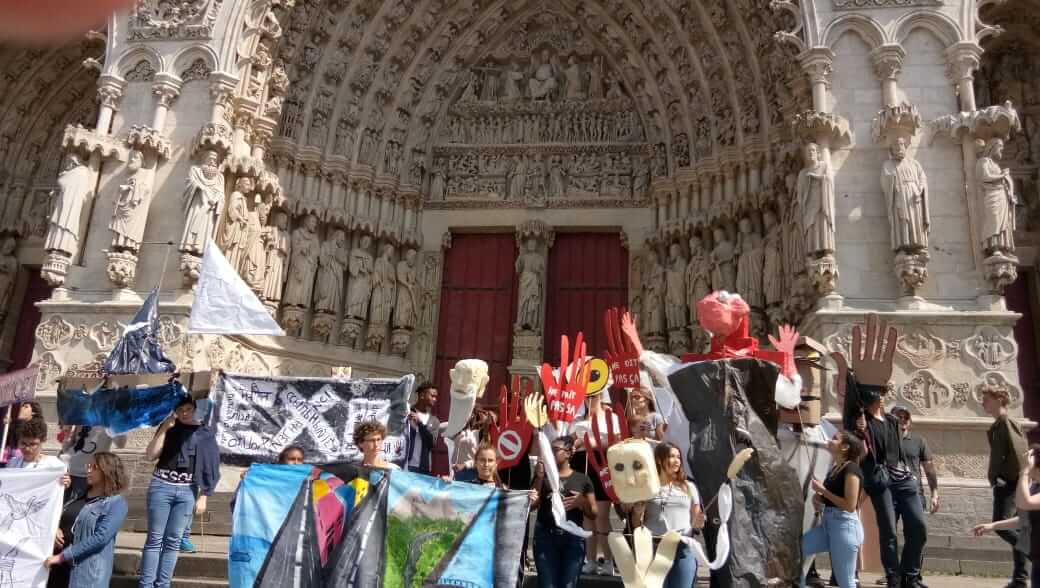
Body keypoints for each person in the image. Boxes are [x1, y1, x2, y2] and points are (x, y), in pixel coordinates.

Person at [140, 397, 220, 588]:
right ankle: (146, 584)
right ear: (175, 411)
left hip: (187, 490)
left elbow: (211, 466)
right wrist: (164, 428)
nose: (184, 413)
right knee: (155, 538)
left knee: (173, 540)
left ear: (194, 409)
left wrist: (205, 495)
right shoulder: (169, 428)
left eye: (188, 409)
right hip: (161, 486)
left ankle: (163, 584)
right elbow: (150, 455)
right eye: (180, 409)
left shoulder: (205, 433)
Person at [858, 389, 927, 588]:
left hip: (904, 479)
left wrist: (910, 473)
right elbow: (863, 453)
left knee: (919, 527)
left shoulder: (891, 420)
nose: (881, 396)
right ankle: (893, 577)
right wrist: (861, 430)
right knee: (889, 530)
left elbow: (897, 449)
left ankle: (910, 575)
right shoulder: (864, 421)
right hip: (882, 480)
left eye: (882, 393)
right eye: (877, 393)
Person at [45, 452, 129, 588]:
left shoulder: (116, 503)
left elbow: (100, 538)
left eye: (94, 467)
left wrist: (62, 556)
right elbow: (56, 517)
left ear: (107, 471)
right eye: (88, 466)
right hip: (57, 568)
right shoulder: (77, 495)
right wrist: (55, 529)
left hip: (84, 573)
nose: (88, 470)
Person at [629, 442, 705, 588]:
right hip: (654, 548)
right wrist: (637, 513)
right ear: (659, 460)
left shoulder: (689, 487)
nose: (677, 461)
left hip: (683, 548)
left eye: (678, 457)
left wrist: (699, 523)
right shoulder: (647, 487)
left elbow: (696, 519)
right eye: (672, 456)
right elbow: (637, 524)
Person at [801, 431, 865, 588]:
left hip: (845, 527)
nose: (830, 440)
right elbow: (831, 497)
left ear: (845, 447)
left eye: (835, 438)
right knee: (799, 549)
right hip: (828, 525)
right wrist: (819, 498)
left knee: (845, 582)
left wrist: (823, 491)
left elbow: (850, 505)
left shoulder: (852, 469)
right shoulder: (835, 469)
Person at [533, 435, 596, 588]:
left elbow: (593, 513)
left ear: (568, 453)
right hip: (545, 537)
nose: (550, 453)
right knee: (547, 585)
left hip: (573, 539)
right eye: (549, 450)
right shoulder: (542, 476)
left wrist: (582, 502)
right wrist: (539, 478)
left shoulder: (582, 479)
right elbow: (533, 505)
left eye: (555, 450)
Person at [973, 444, 1040, 588]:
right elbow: (1024, 518)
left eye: (1029, 460)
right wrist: (993, 526)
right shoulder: (1035, 487)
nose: (1024, 463)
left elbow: (1025, 503)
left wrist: (1024, 473)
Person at [983, 384, 1030, 588]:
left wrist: (1018, 481)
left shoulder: (1006, 422)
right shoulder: (999, 424)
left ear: (999, 400)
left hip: (1010, 483)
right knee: (1015, 528)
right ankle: (1020, 579)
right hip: (1008, 482)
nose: (983, 403)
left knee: (1001, 525)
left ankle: (1032, 551)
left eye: (987, 399)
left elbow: (1020, 454)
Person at [890, 406, 939, 515]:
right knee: (888, 526)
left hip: (914, 493)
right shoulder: (885, 440)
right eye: (899, 417)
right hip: (891, 494)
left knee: (917, 526)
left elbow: (929, 469)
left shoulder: (919, 441)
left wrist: (934, 494)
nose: (903, 420)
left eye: (906, 417)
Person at [59, 426, 128, 499]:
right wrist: (67, 434)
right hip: (67, 471)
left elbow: (121, 444)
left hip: (89, 475)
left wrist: (115, 421)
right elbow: (66, 449)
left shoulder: (108, 422)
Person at [406, 383, 444, 475]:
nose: (435, 399)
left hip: (423, 468)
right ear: (422, 395)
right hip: (405, 464)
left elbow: (431, 443)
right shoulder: (406, 412)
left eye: (436, 397)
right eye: (432, 396)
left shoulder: (434, 421)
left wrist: (420, 424)